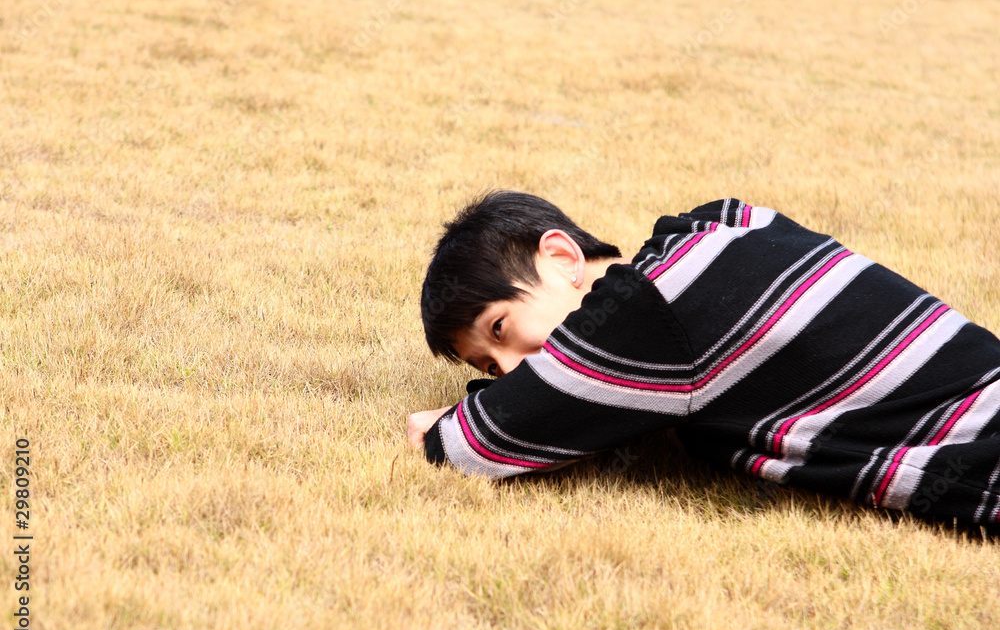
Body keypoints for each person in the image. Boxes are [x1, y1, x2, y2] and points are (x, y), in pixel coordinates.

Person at [407, 191, 1000, 529]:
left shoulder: (653, 312)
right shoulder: (720, 230)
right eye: (488, 366)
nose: (510, 368)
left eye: (501, 329)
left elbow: (475, 444)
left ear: (562, 257)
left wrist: (438, 425)